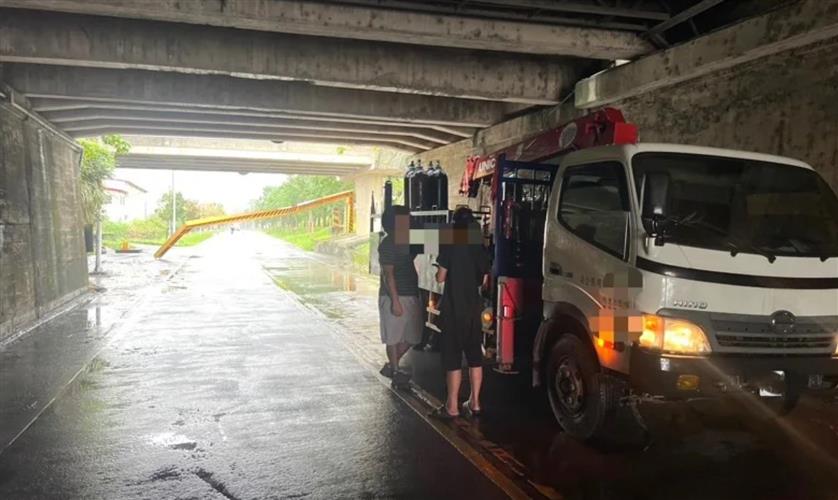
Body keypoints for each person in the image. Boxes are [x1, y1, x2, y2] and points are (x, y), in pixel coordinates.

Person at [431, 207, 490, 419]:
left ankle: (452, 407)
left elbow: (440, 277)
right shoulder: (479, 246)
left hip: (454, 308)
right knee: (475, 356)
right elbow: (483, 280)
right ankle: (475, 403)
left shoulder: (450, 243)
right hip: (474, 309)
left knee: (453, 357)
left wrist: (438, 269)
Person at [378, 205, 422, 384]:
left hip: (411, 293)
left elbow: (442, 240)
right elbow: (388, 275)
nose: (409, 220)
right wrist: (395, 301)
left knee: (414, 336)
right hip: (394, 296)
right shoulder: (388, 244)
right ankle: (396, 371)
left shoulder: (406, 241)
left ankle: (391, 365)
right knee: (393, 338)